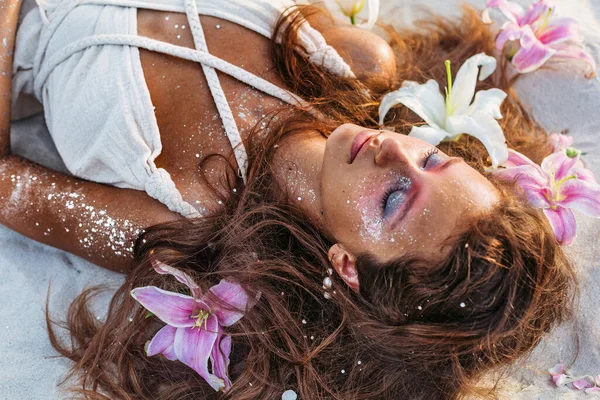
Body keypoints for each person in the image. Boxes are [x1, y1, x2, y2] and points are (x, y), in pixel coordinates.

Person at [0, 0, 576, 399]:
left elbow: (6, 184)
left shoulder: (180, 220)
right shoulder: (350, 61)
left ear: (347, 266)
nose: (396, 154)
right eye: (431, 158)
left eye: (397, 197)